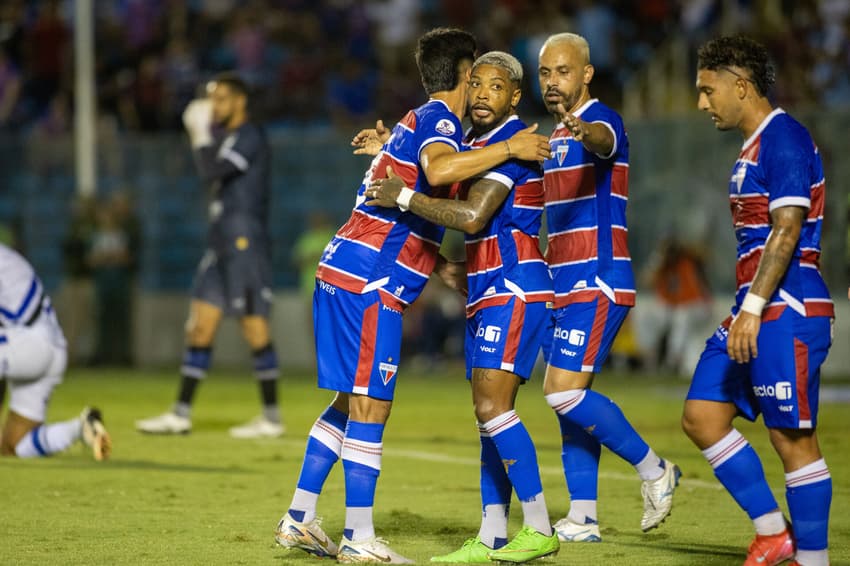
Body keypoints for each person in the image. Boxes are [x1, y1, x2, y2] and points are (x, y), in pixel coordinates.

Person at [273, 28, 551, 564]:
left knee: (345, 402)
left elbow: (428, 173)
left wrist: (392, 153)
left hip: (343, 271)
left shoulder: (415, 121)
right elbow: (441, 171)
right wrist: (511, 146)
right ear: (467, 76)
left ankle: (300, 517)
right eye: (478, 79)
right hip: (371, 281)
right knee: (372, 405)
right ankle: (359, 538)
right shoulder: (441, 122)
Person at [366, 51, 560, 563]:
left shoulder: (514, 148)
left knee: (494, 409)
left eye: (495, 87)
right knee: (486, 416)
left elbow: (472, 216)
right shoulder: (481, 147)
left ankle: (539, 527)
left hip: (516, 287)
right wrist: (391, 147)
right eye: (474, 84)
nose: (480, 95)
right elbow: (445, 178)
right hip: (487, 289)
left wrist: (403, 198)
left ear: (514, 97)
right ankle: (493, 533)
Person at [683, 36, 834, 566]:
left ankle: (812, 560)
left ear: (740, 86)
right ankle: (774, 534)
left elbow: (786, 229)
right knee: (702, 415)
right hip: (755, 305)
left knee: (792, 440)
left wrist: (753, 309)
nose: (702, 103)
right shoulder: (752, 146)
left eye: (707, 90)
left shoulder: (784, 138)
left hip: (785, 307)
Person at [537, 32, 681, 543]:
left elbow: (602, 139)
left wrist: (583, 129)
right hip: (563, 282)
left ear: (586, 73)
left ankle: (655, 470)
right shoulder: (552, 137)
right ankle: (583, 516)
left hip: (597, 277)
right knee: (570, 400)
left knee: (561, 392)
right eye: (546, 74)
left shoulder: (602, 119)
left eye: (564, 71)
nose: (554, 82)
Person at [135, 72, 283, 439]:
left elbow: (210, 171)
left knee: (254, 328)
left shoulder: (249, 136)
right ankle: (180, 413)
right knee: (199, 327)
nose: (212, 106)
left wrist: (199, 133)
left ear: (240, 102)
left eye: (220, 99)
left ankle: (271, 417)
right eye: (210, 99)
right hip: (220, 244)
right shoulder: (230, 138)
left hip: (244, 244)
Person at [0, 243, 110, 460]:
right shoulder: (9, 257)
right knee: (14, 447)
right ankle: (80, 428)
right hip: (50, 347)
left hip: (27, 344)